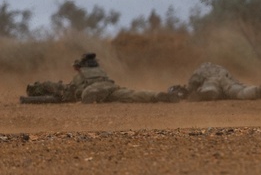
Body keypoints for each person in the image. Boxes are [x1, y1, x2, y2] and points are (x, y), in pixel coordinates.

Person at [24, 52, 180, 104]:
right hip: (109, 88)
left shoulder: (81, 75)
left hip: (93, 92)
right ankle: (155, 95)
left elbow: (71, 92)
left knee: (83, 96)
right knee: (133, 95)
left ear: (80, 66)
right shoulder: (100, 71)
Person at [180, 62, 261, 102]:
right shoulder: (219, 68)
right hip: (226, 79)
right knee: (241, 92)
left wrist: (188, 93)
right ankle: (260, 90)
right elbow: (232, 79)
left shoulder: (200, 70)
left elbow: (193, 83)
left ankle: (209, 93)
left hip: (210, 80)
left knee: (211, 89)